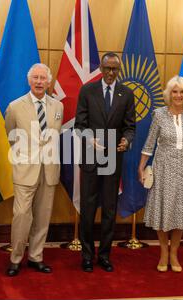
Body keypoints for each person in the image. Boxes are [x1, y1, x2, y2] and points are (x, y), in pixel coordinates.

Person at [74, 52, 135, 272]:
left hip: (113, 157)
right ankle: (87, 255)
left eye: (114, 69)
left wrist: (126, 141)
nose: (110, 73)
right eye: (107, 68)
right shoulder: (87, 91)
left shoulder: (126, 94)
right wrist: (90, 140)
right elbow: (79, 125)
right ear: (100, 68)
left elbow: (130, 126)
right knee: (88, 209)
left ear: (119, 71)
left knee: (110, 209)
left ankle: (105, 255)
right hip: (91, 156)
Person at [138, 75, 183, 273]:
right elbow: (150, 143)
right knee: (162, 210)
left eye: (182, 92)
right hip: (163, 168)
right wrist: (141, 167)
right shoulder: (159, 114)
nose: (178, 95)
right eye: (174, 91)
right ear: (169, 94)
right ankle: (163, 253)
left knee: (181, 212)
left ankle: (174, 253)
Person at [4, 63, 64, 277]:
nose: (39, 82)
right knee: (21, 215)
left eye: (43, 78)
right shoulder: (15, 106)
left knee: (42, 216)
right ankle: (15, 259)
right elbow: (11, 135)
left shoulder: (58, 107)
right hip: (24, 169)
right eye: (35, 78)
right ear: (29, 81)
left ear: (49, 82)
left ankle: (36, 257)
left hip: (49, 170)